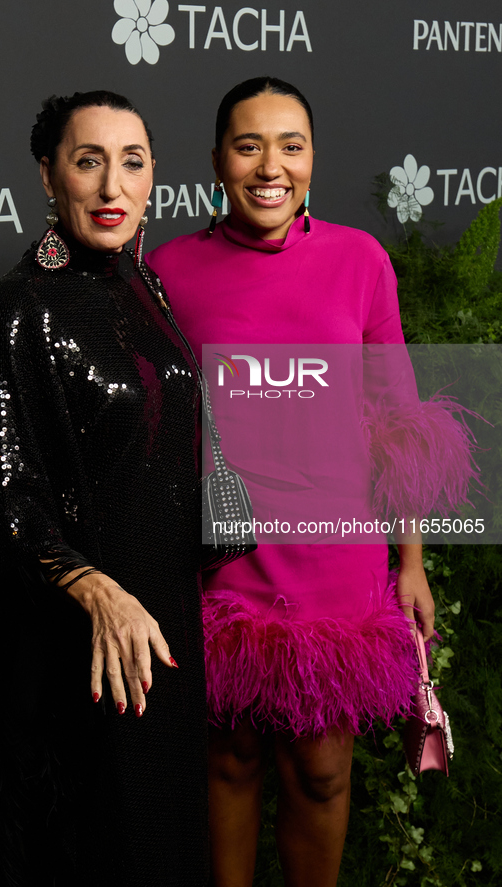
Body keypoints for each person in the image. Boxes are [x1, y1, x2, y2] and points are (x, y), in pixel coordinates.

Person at [146, 77, 477, 887]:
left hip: (338, 561)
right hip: (223, 562)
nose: (270, 165)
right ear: (217, 159)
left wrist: (410, 561)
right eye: (249, 144)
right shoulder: (167, 271)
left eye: (290, 145)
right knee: (228, 760)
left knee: (322, 769)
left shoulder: (359, 260)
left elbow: (399, 425)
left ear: (311, 160)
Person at [0, 90, 208, 887]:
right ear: (47, 178)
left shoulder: (145, 285)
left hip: (163, 635)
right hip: (77, 653)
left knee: (164, 843)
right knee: (97, 848)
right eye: (87, 161)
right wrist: (96, 590)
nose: (111, 187)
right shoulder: (16, 311)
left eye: (130, 163)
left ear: (153, 177)